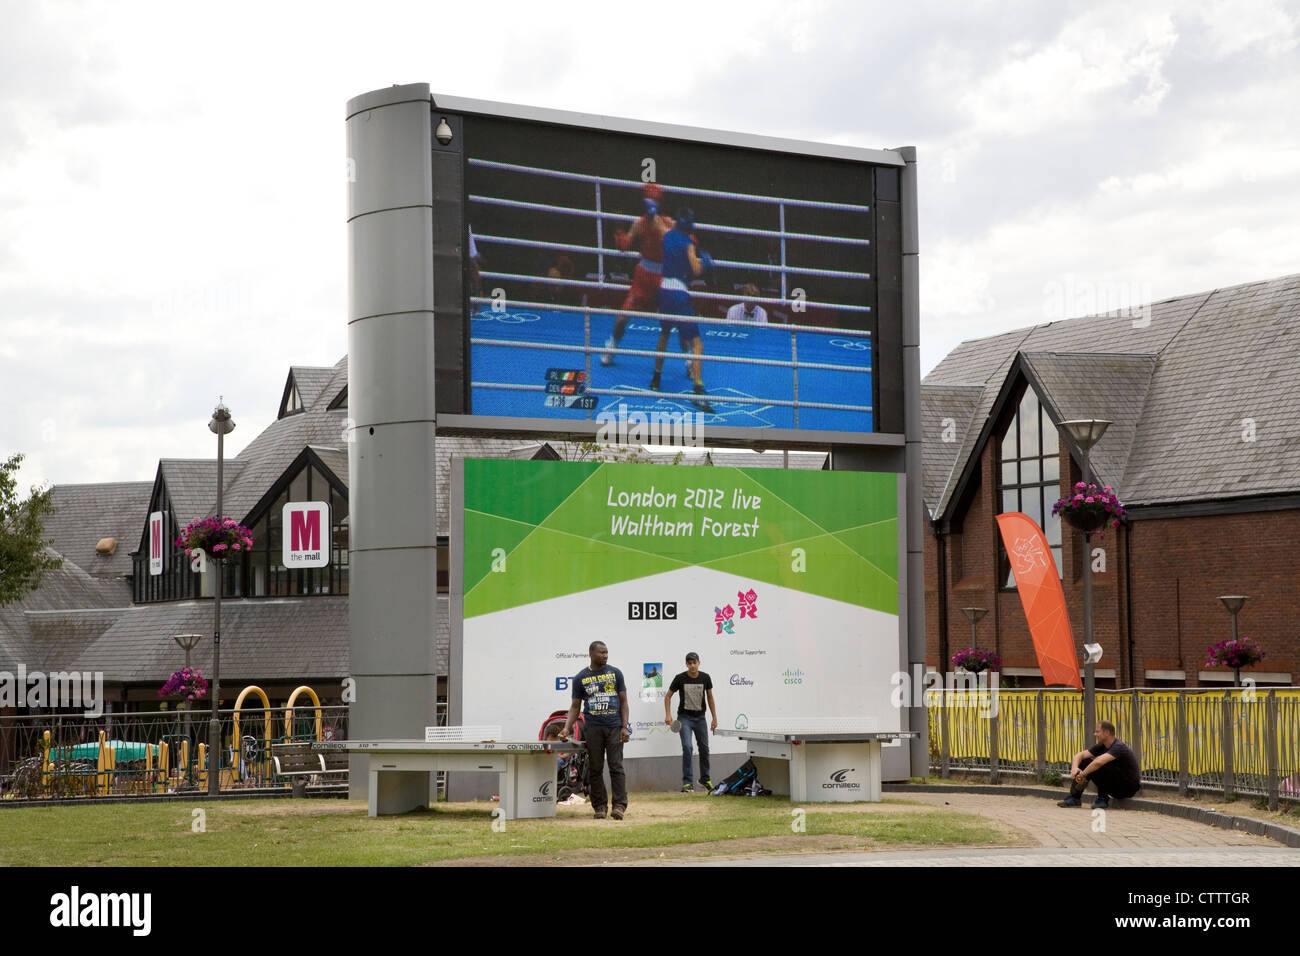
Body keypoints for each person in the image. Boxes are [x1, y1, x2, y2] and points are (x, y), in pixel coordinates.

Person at [649, 206, 715, 413]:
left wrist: (652, 206)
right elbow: (696, 270)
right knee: (697, 345)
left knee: (664, 334)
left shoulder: (667, 235)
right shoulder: (688, 244)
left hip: (663, 290)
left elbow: (656, 222)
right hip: (679, 293)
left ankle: (656, 379)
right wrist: (706, 264)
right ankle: (698, 388)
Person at [560, 641, 630, 819]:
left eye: (606, 652)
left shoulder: (615, 673)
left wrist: (624, 726)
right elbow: (575, 707)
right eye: (601, 653)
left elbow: (623, 702)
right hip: (593, 728)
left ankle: (619, 806)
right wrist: (567, 728)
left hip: (614, 727)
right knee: (595, 769)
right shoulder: (580, 678)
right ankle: (599, 807)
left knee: (616, 766)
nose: (605, 655)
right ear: (591, 654)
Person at [603, 183, 670, 366]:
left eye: (653, 203)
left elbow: (676, 245)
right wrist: (618, 230)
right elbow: (625, 246)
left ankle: (689, 359)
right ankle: (612, 346)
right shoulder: (639, 223)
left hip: (665, 276)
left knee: (676, 320)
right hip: (643, 276)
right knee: (623, 316)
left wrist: (660, 228)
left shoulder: (669, 223)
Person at [664, 652, 717, 792]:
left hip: (700, 719)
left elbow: (710, 698)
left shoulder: (705, 678)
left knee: (704, 749)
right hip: (684, 718)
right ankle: (687, 783)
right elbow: (668, 697)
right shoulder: (680, 678)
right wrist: (668, 715)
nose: (692, 665)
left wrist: (714, 718)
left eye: (694, 662)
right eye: (690, 663)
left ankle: (705, 779)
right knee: (688, 748)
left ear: (699, 662)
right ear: (686, 664)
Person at [1058, 720, 1141, 809]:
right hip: (1114, 784)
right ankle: (1075, 798)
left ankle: (1103, 798)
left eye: (1097, 731)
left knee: (1098, 764)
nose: (1095, 734)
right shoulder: (1102, 746)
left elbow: (1098, 762)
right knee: (1085, 761)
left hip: (1127, 787)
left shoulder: (1118, 746)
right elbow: (1079, 755)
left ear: (1107, 733)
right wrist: (1074, 768)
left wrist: (1082, 775)